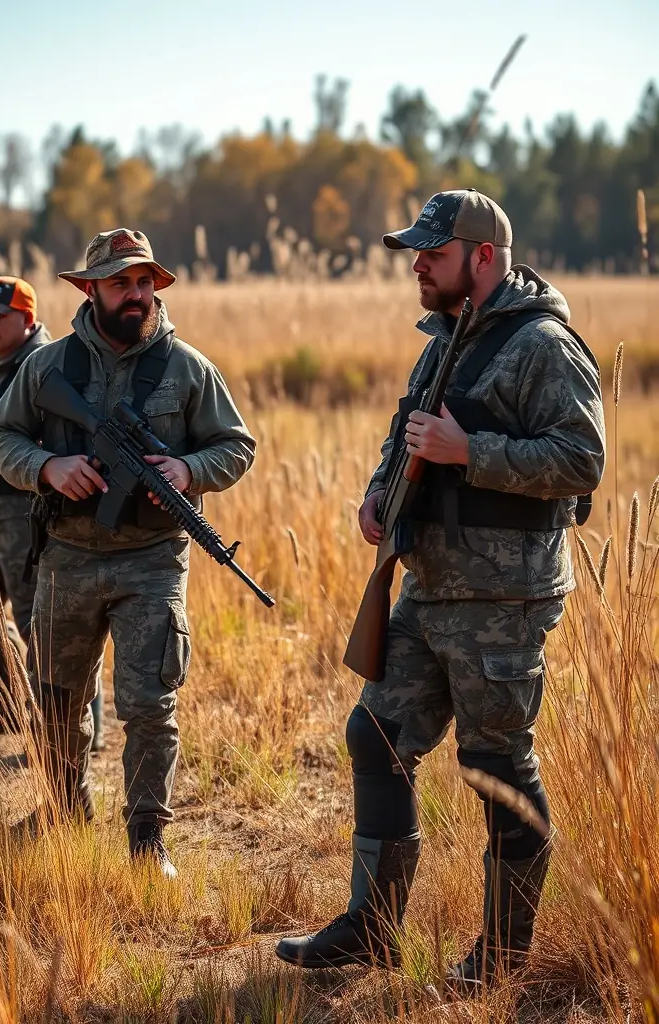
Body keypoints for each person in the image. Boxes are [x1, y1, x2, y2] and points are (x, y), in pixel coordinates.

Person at [275, 190, 606, 991]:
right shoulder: (446, 341)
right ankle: (373, 933)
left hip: (503, 600)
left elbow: (583, 461)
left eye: (433, 251)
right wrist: (378, 492)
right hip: (430, 587)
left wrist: (471, 451)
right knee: (376, 736)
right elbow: (408, 429)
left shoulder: (543, 345)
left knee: (497, 769)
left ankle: (499, 963)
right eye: (415, 252)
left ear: (482, 257)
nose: (417, 265)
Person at [0, 229, 256, 876]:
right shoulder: (47, 369)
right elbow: (2, 435)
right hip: (67, 557)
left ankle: (146, 839)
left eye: (144, 282)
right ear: (90, 289)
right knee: (55, 698)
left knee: (149, 706)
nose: (136, 295)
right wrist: (48, 467)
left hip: (152, 561)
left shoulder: (188, 368)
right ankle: (64, 809)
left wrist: (189, 471)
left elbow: (236, 447)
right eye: (120, 283)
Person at [0, 277, 106, 749]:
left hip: (27, 513)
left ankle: (79, 730)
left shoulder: (46, 368)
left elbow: (53, 442)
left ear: (28, 319)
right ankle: (10, 702)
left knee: (45, 624)